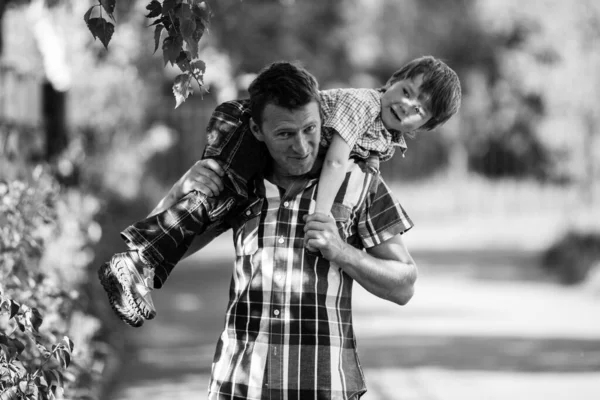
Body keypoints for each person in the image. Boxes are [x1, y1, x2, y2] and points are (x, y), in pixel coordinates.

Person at [98, 57, 462, 328]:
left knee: (214, 200)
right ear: (393, 80)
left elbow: (404, 285)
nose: (303, 148)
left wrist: (342, 249)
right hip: (240, 380)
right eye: (406, 92)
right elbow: (334, 161)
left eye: (420, 109)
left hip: (319, 381)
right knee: (210, 198)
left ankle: (135, 263)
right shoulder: (359, 108)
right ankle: (133, 261)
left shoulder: (370, 170)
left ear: (426, 126)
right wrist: (324, 216)